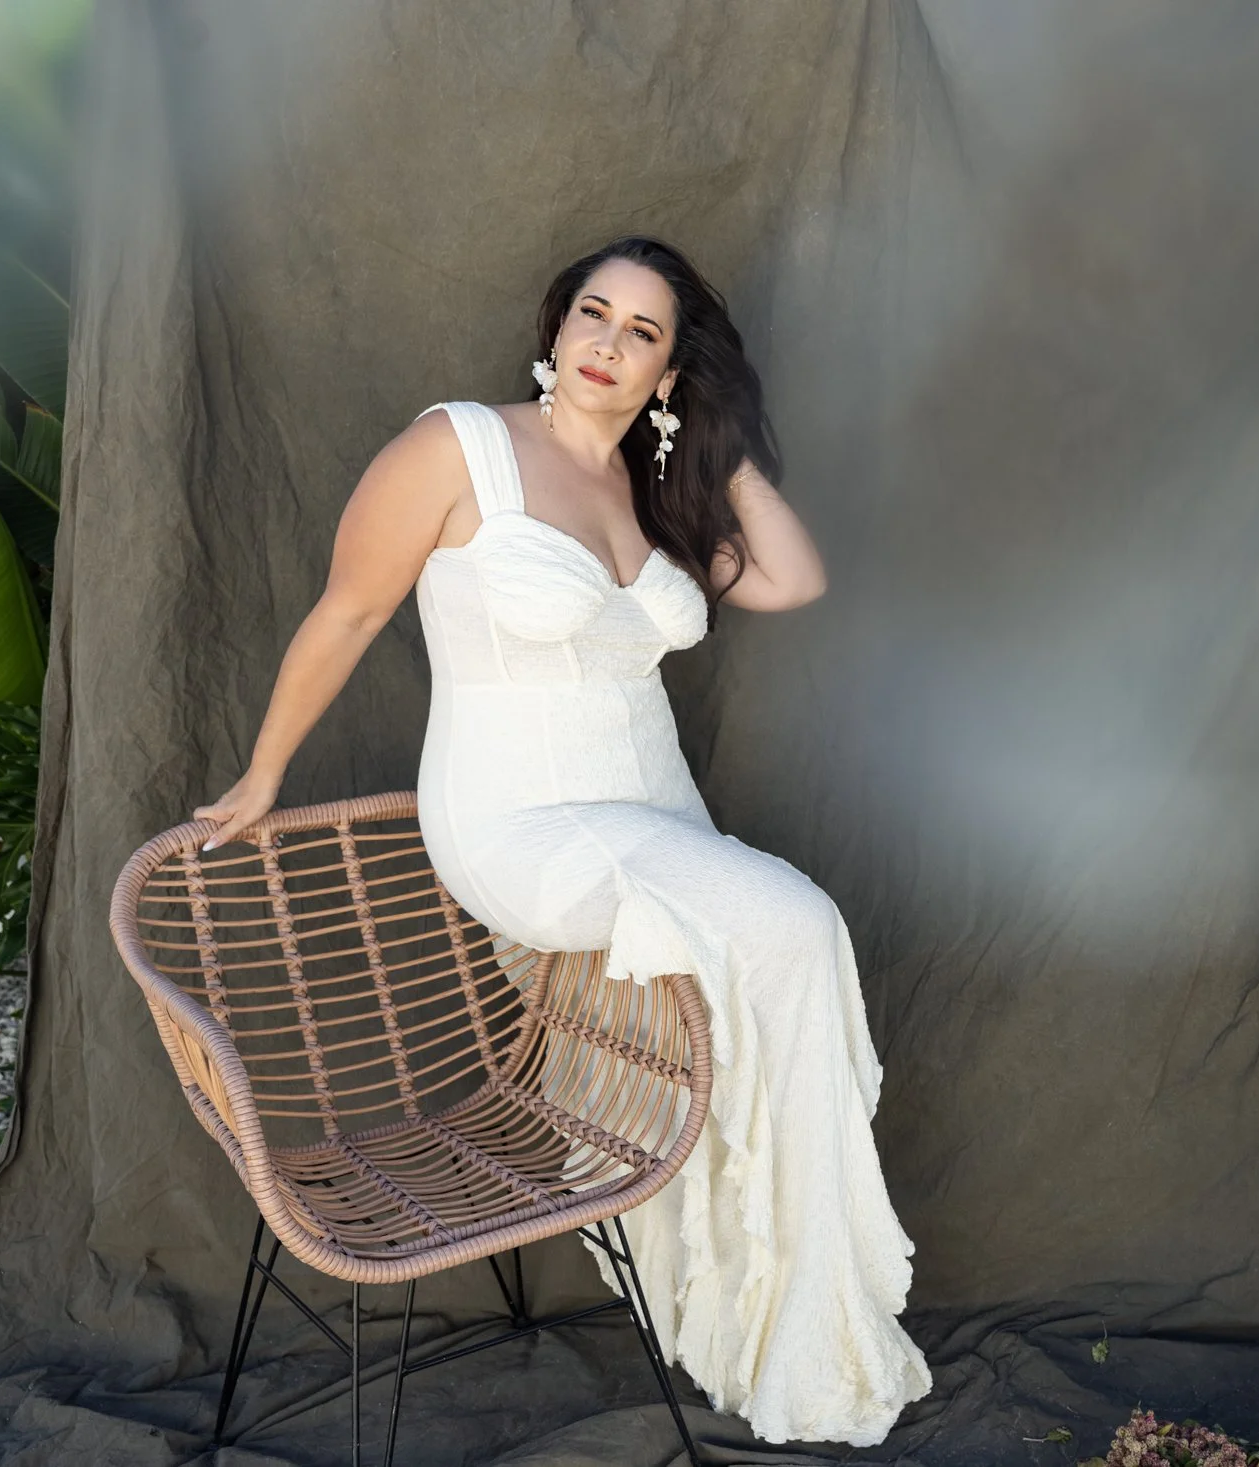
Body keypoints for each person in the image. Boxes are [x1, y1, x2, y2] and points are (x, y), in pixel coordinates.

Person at [192, 235, 934, 1447]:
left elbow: (790, 580)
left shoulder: (657, 494)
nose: (608, 343)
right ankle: (808, 1311)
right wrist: (263, 773)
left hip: (650, 815)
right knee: (798, 925)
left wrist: (719, 439)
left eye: (644, 334)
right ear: (557, 325)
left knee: (770, 978)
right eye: (595, 313)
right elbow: (350, 609)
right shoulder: (457, 448)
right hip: (516, 824)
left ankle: (780, 1306)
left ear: (668, 370)